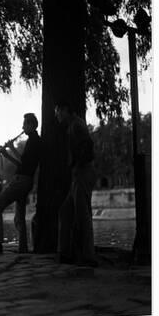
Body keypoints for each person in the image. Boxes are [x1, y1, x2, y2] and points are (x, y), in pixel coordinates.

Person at [0, 113, 42, 253]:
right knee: (19, 217)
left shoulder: (34, 141)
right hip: (24, 180)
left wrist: (12, 148)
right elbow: (23, 164)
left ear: (31, 125)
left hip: (21, 181)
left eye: (24, 124)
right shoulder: (32, 140)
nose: (22, 127)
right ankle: (23, 247)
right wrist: (6, 154)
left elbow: (24, 162)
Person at [55, 102, 98, 266]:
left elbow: (88, 147)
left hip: (82, 173)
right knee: (65, 212)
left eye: (58, 111)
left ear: (65, 109)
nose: (56, 115)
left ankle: (88, 256)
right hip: (78, 174)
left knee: (82, 215)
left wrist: (78, 165)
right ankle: (66, 253)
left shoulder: (76, 125)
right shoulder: (74, 125)